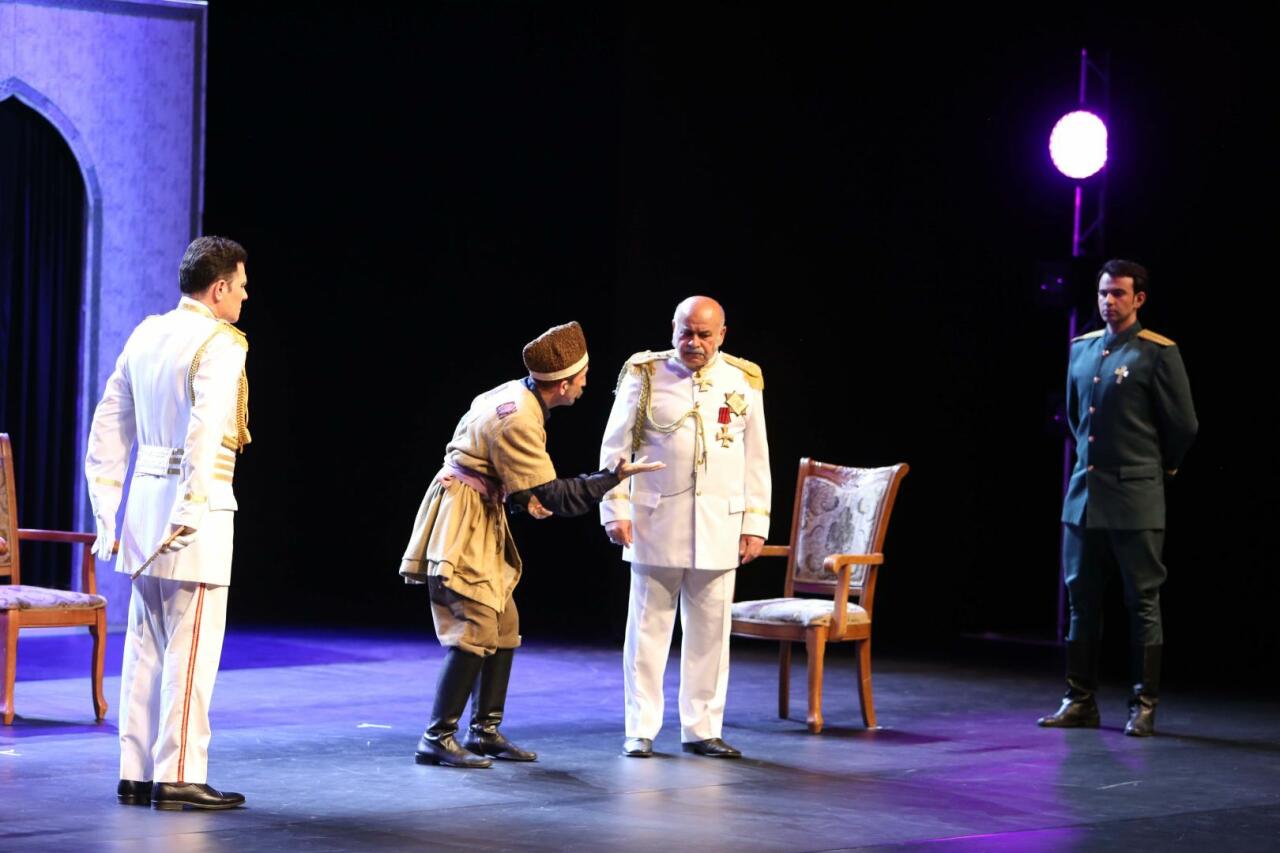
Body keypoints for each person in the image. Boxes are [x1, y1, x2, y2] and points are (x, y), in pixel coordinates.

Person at [400, 321, 662, 768]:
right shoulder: (519, 416)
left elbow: (499, 464)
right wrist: (610, 479)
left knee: (504, 623)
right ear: (563, 384)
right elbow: (557, 496)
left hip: (480, 507)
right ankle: (437, 737)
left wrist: (522, 497)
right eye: (582, 377)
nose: (585, 384)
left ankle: (484, 731)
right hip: (464, 518)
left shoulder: (516, 394)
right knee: (475, 624)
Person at [86, 235, 252, 809]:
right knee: (191, 645)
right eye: (241, 286)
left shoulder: (146, 332)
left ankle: (135, 772)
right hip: (193, 511)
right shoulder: (221, 342)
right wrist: (191, 506)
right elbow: (205, 429)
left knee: (144, 644)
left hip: (144, 507)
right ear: (219, 287)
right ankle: (179, 773)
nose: (246, 296)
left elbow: (108, 426)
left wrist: (107, 510)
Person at [599, 296, 770, 759]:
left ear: (722, 335)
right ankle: (640, 728)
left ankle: (702, 729)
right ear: (673, 330)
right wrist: (615, 509)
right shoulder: (645, 373)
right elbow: (616, 449)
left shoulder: (742, 379)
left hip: (720, 523)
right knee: (647, 632)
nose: (694, 342)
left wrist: (755, 522)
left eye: (704, 334)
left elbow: (756, 458)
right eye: (686, 333)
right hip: (655, 520)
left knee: (710, 634)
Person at [1038, 259, 1197, 737]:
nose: (1109, 301)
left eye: (1119, 293)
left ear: (1138, 299)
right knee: (1081, 600)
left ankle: (1143, 704)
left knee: (1141, 601)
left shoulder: (1157, 352)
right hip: (1085, 497)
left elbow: (1183, 425)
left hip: (1135, 497)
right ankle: (1079, 700)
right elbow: (1075, 418)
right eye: (1104, 293)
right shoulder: (1082, 348)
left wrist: (1160, 469)